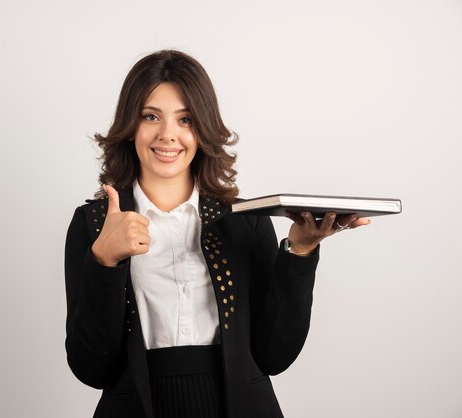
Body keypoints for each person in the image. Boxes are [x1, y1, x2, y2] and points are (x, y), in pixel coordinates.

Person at [64, 49, 369, 418]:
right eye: (150, 116)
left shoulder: (243, 219)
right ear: (130, 127)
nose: (167, 135)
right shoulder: (94, 224)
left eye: (186, 119)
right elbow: (91, 369)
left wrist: (300, 251)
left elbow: (273, 355)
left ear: (203, 128)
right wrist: (105, 261)